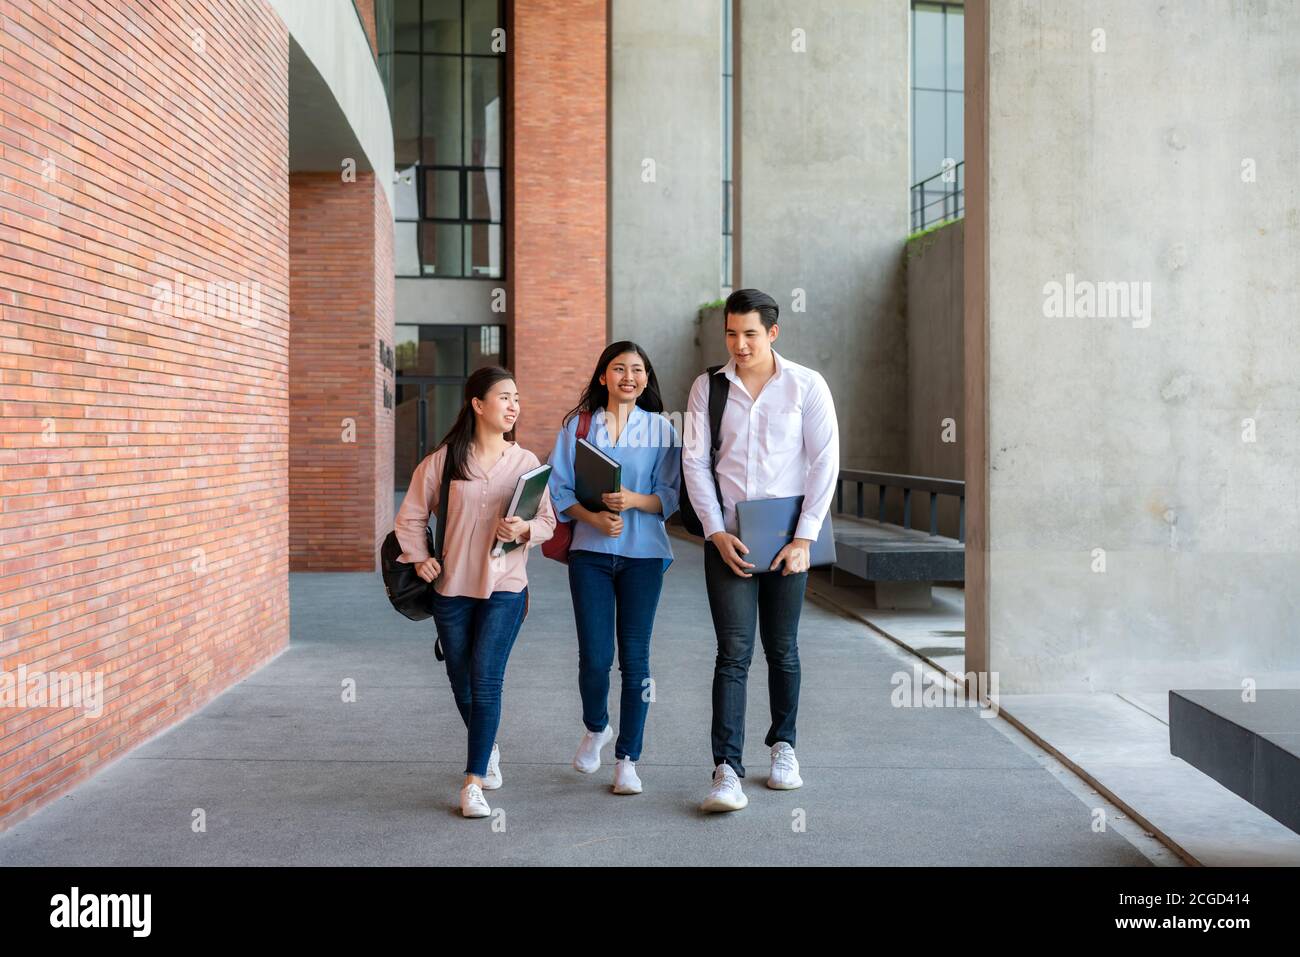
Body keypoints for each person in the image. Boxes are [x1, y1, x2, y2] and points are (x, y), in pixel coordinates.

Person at [681, 288, 839, 812]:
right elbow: (696, 463)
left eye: (750, 333)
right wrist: (713, 531)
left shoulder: (805, 385)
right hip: (728, 538)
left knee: (783, 648)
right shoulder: (708, 387)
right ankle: (726, 769)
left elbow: (824, 462)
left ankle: (784, 748)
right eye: (731, 333)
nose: (739, 344)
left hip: (787, 539)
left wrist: (804, 538)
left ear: (772, 333)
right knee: (733, 653)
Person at [394, 366, 556, 819]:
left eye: (517, 399)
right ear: (477, 404)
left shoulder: (526, 463)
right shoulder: (444, 461)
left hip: (506, 587)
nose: (513, 406)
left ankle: (473, 780)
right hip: (452, 589)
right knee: (461, 682)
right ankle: (488, 748)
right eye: (504, 398)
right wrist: (419, 556)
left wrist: (525, 528)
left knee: (486, 679)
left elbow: (548, 521)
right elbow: (409, 518)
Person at [547, 341, 681, 795]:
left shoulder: (662, 429)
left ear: (647, 378)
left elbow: (670, 495)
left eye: (638, 369)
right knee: (595, 656)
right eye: (619, 368)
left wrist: (634, 502)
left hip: (644, 556)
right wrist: (593, 518)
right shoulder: (578, 427)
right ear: (603, 376)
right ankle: (596, 726)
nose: (629, 376)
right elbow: (559, 489)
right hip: (589, 553)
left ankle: (628, 758)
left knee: (636, 658)